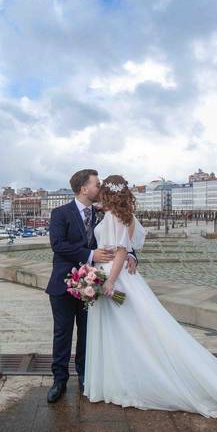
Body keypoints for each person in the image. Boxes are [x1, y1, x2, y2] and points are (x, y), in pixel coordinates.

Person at [83, 174, 217, 420]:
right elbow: (133, 246)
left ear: (109, 193)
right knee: (132, 330)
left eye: (103, 189)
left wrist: (110, 281)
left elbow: (123, 251)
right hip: (125, 277)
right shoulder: (127, 217)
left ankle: (122, 381)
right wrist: (124, 261)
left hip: (116, 278)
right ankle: (125, 379)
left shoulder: (114, 217)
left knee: (124, 331)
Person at [44, 169, 139, 403]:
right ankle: (59, 380)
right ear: (84, 189)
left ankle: (86, 376)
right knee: (62, 333)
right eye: (97, 184)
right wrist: (90, 253)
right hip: (63, 283)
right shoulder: (60, 213)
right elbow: (58, 245)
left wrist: (133, 256)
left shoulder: (103, 214)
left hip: (93, 285)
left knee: (88, 334)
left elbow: (121, 240)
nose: (101, 188)